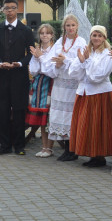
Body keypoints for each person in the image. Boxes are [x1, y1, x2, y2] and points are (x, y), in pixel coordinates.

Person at [0, 0, 35, 155]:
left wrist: (20, 64)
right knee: (3, 111)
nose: (10, 11)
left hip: (19, 76)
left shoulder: (26, 30)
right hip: (2, 75)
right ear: (3, 10)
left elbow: (31, 53)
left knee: (20, 110)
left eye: (13, 8)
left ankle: (19, 146)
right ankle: (4, 145)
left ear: (17, 10)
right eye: (7, 8)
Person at [68, 25, 112, 167]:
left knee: (97, 125)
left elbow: (97, 77)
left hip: (100, 93)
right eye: (94, 35)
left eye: (99, 35)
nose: (96, 38)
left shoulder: (107, 54)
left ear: (104, 38)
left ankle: (99, 155)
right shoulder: (86, 51)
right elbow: (73, 73)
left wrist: (86, 62)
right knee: (86, 125)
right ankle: (91, 154)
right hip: (84, 92)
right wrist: (82, 62)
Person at [43, 14, 87, 161]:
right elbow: (50, 59)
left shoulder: (81, 42)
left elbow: (82, 62)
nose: (70, 28)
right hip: (60, 83)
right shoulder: (59, 42)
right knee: (59, 115)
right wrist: (57, 64)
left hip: (73, 83)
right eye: (68, 25)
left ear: (77, 26)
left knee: (71, 114)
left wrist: (66, 61)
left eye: (73, 25)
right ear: (64, 27)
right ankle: (66, 147)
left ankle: (72, 149)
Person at [26, 24, 57, 157]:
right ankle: (44, 147)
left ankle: (49, 148)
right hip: (39, 84)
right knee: (42, 119)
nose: (45, 35)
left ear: (52, 35)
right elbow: (33, 70)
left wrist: (41, 59)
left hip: (51, 84)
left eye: (48, 33)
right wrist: (39, 58)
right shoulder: (37, 50)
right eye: (42, 33)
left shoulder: (55, 50)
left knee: (49, 117)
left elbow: (50, 70)